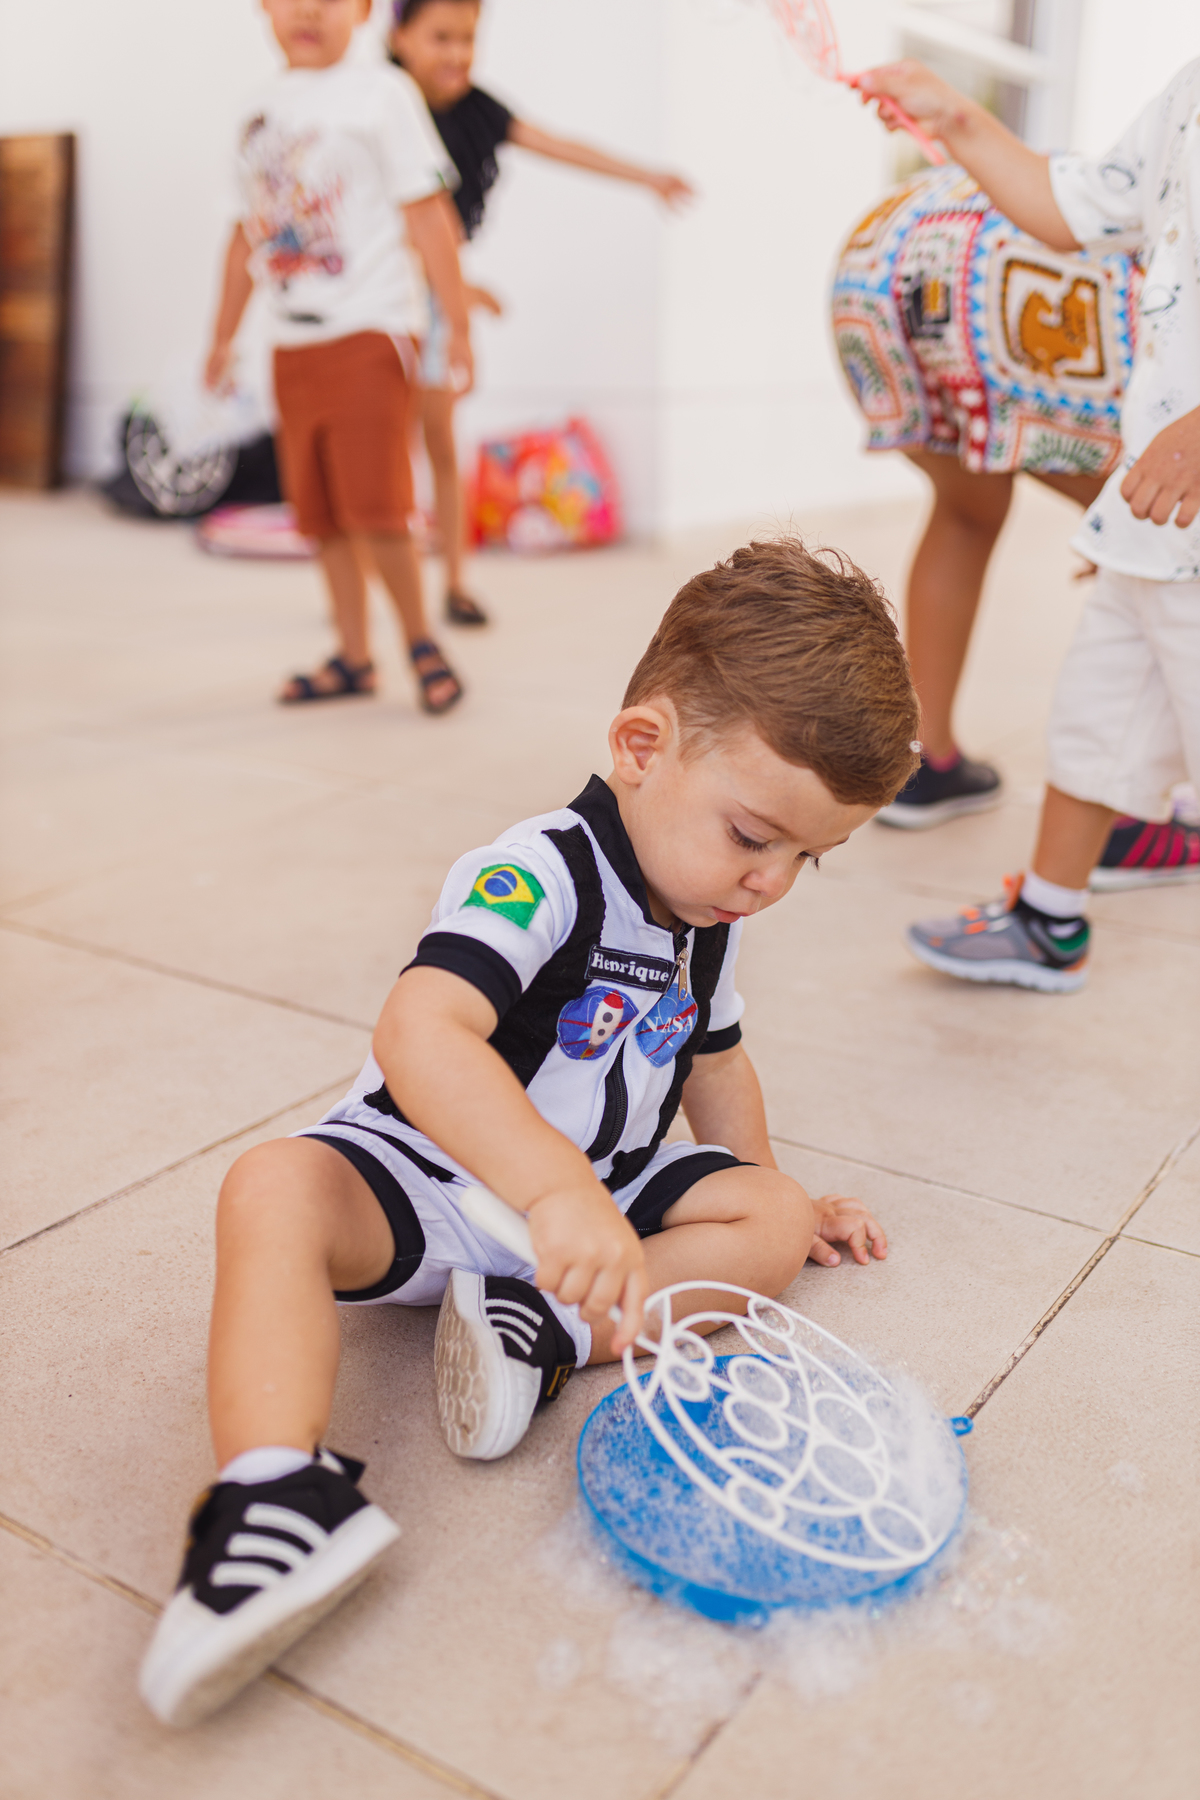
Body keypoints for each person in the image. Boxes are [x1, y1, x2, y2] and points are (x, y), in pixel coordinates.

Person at [138, 536, 914, 1728]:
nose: (772, 883)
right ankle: (272, 1495)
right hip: (429, 1177)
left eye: (812, 857)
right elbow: (423, 1028)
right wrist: (551, 1194)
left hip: (602, 1199)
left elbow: (718, 1058)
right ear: (641, 747)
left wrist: (772, 1188)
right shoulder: (536, 872)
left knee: (768, 1216)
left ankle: (535, 1329)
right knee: (270, 1191)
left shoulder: (713, 914)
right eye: (756, 837)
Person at [855, 58, 1200, 989]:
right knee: (1095, 726)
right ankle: (1049, 917)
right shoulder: (1190, 88)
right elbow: (1077, 203)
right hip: (1155, 530)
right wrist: (960, 119)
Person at [388, 0, 694, 628]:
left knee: (439, 437)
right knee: (383, 445)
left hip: (439, 300)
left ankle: (455, 580)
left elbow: (560, 145)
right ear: (399, 37)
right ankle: (376, 573)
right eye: (440, 37)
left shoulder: (479, 111)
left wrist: (648, 177)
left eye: (468, 39)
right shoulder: (380, 104)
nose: (456, 54)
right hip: (378, 298)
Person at [206, 0, 472, 713]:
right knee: (320, 509)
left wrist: (461, 325)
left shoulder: (383, 94)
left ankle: (422, 641)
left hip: (371, 329)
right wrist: (223, 336)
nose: (309, 10)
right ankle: (355, 657)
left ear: (363, 10)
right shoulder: (254, 111)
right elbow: (244, 236)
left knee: (377, 503)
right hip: (293, 340)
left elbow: (429, 215)